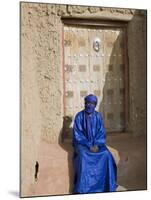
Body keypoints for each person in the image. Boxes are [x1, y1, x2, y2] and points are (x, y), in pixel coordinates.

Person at [72, 94, 118, 194]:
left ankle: (106, 186)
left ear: (95, 105)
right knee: (83, 156)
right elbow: (78, 135)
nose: (89, 105)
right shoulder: (79, 116)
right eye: (87, 103)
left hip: (97, 143)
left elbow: (101, 132)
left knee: (106, 155)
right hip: (82, 144)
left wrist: (97, 144)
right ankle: (83, 188)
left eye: (92, 103)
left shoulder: (98, 116)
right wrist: (88, 145)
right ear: (85, 104)